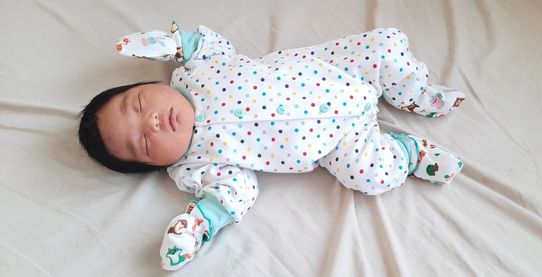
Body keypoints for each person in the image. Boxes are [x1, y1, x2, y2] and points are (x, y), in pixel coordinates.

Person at [78, 22, 465, 270]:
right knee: (370, 175)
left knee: (385, 44)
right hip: (335, 141)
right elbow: (235, 193)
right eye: (144, 142)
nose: (153, 122)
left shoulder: (193, 73)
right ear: (155, 165)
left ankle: (418, 94)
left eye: (141, 105)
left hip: (333, 71)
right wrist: (197, 225)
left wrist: (173, 43)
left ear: (151, 85)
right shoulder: (195, 165)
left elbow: (210, 45)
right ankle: (411, 153)